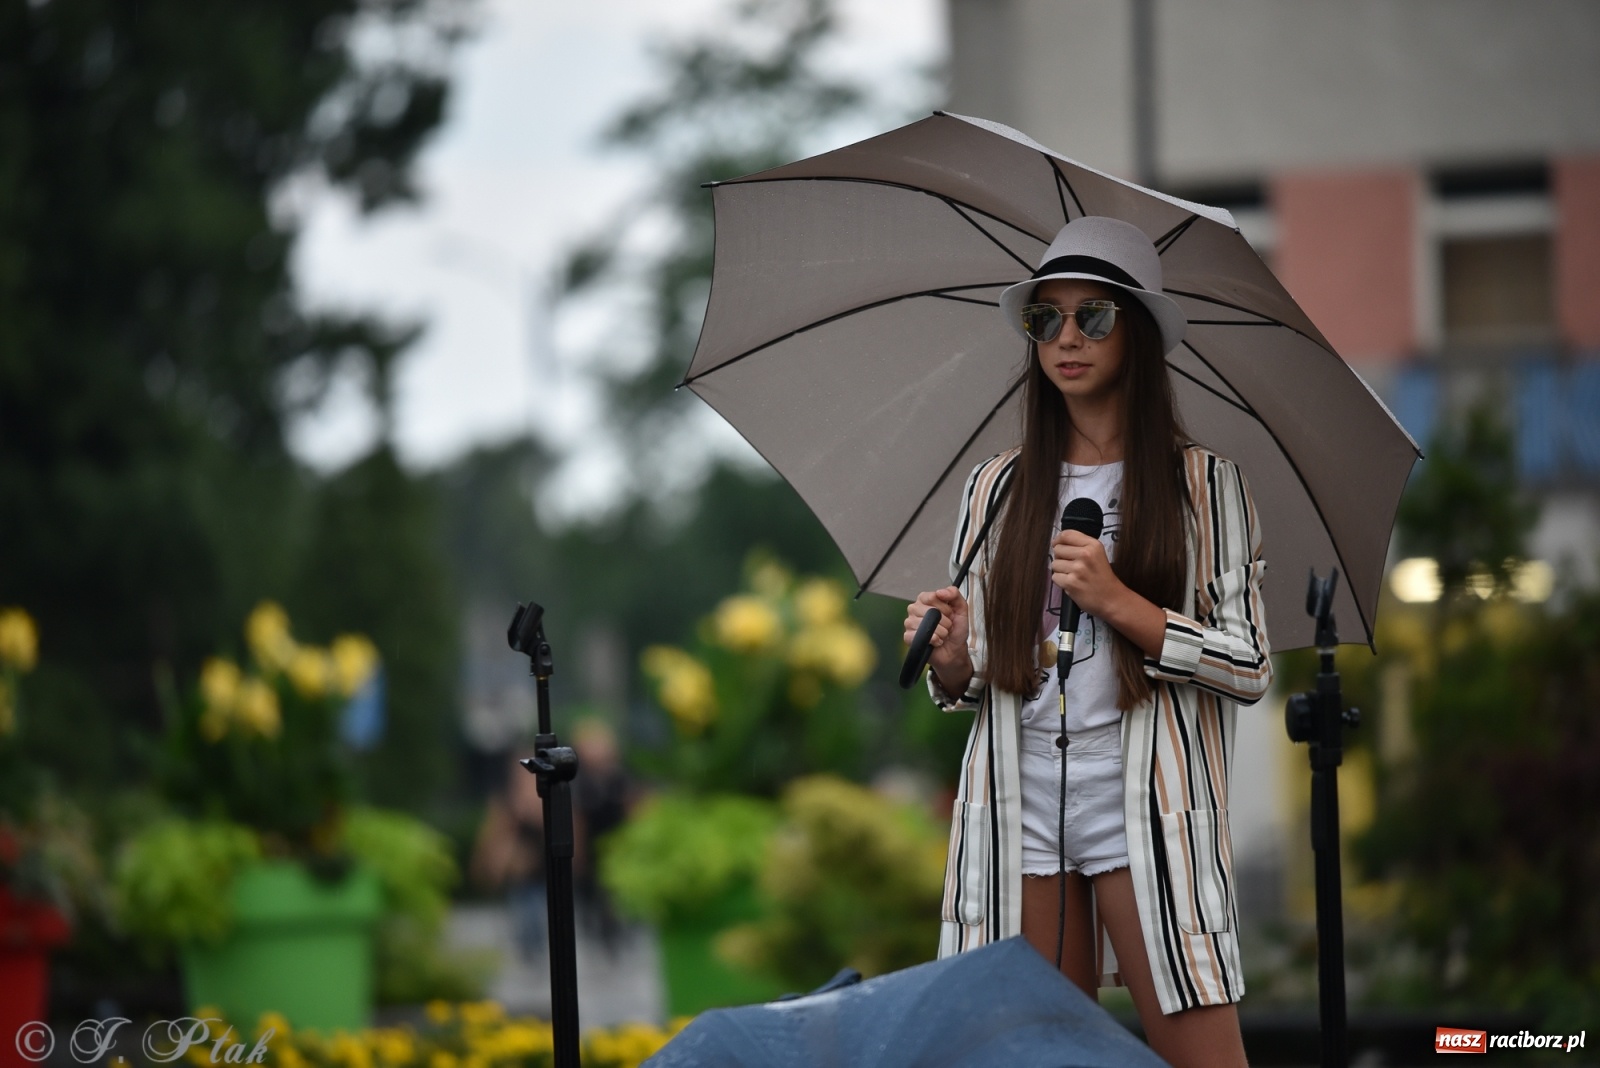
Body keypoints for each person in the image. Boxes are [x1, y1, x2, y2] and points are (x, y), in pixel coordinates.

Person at [903, 216, 1270, 1068]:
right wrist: (952, 659)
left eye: (1092, 317)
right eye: (1046, 319)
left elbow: (1249, 663)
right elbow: (985, 674)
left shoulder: (1203, 484)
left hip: (1144, 800)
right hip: (1020, 799)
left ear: (1135, 331)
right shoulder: (997, 487)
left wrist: (1120, 603)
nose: (1066, 339)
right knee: (1038, 1058)